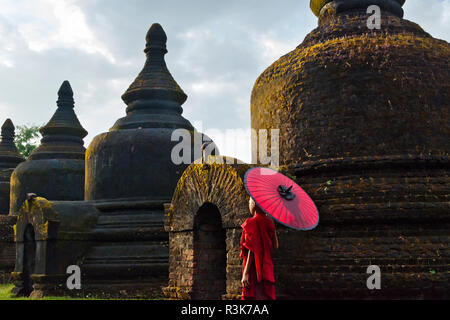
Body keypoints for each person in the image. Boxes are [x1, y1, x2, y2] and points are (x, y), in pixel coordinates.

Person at [240, 197, 279, 300]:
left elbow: (252, 250)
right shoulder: (270, 222)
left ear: (254, 204)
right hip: (266, 265)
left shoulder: (250, 222)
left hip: (254, 267)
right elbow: (276, 246)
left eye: (250, 201)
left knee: (254, 296)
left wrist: (246, 273)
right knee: (265, 295)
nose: (249, 203)